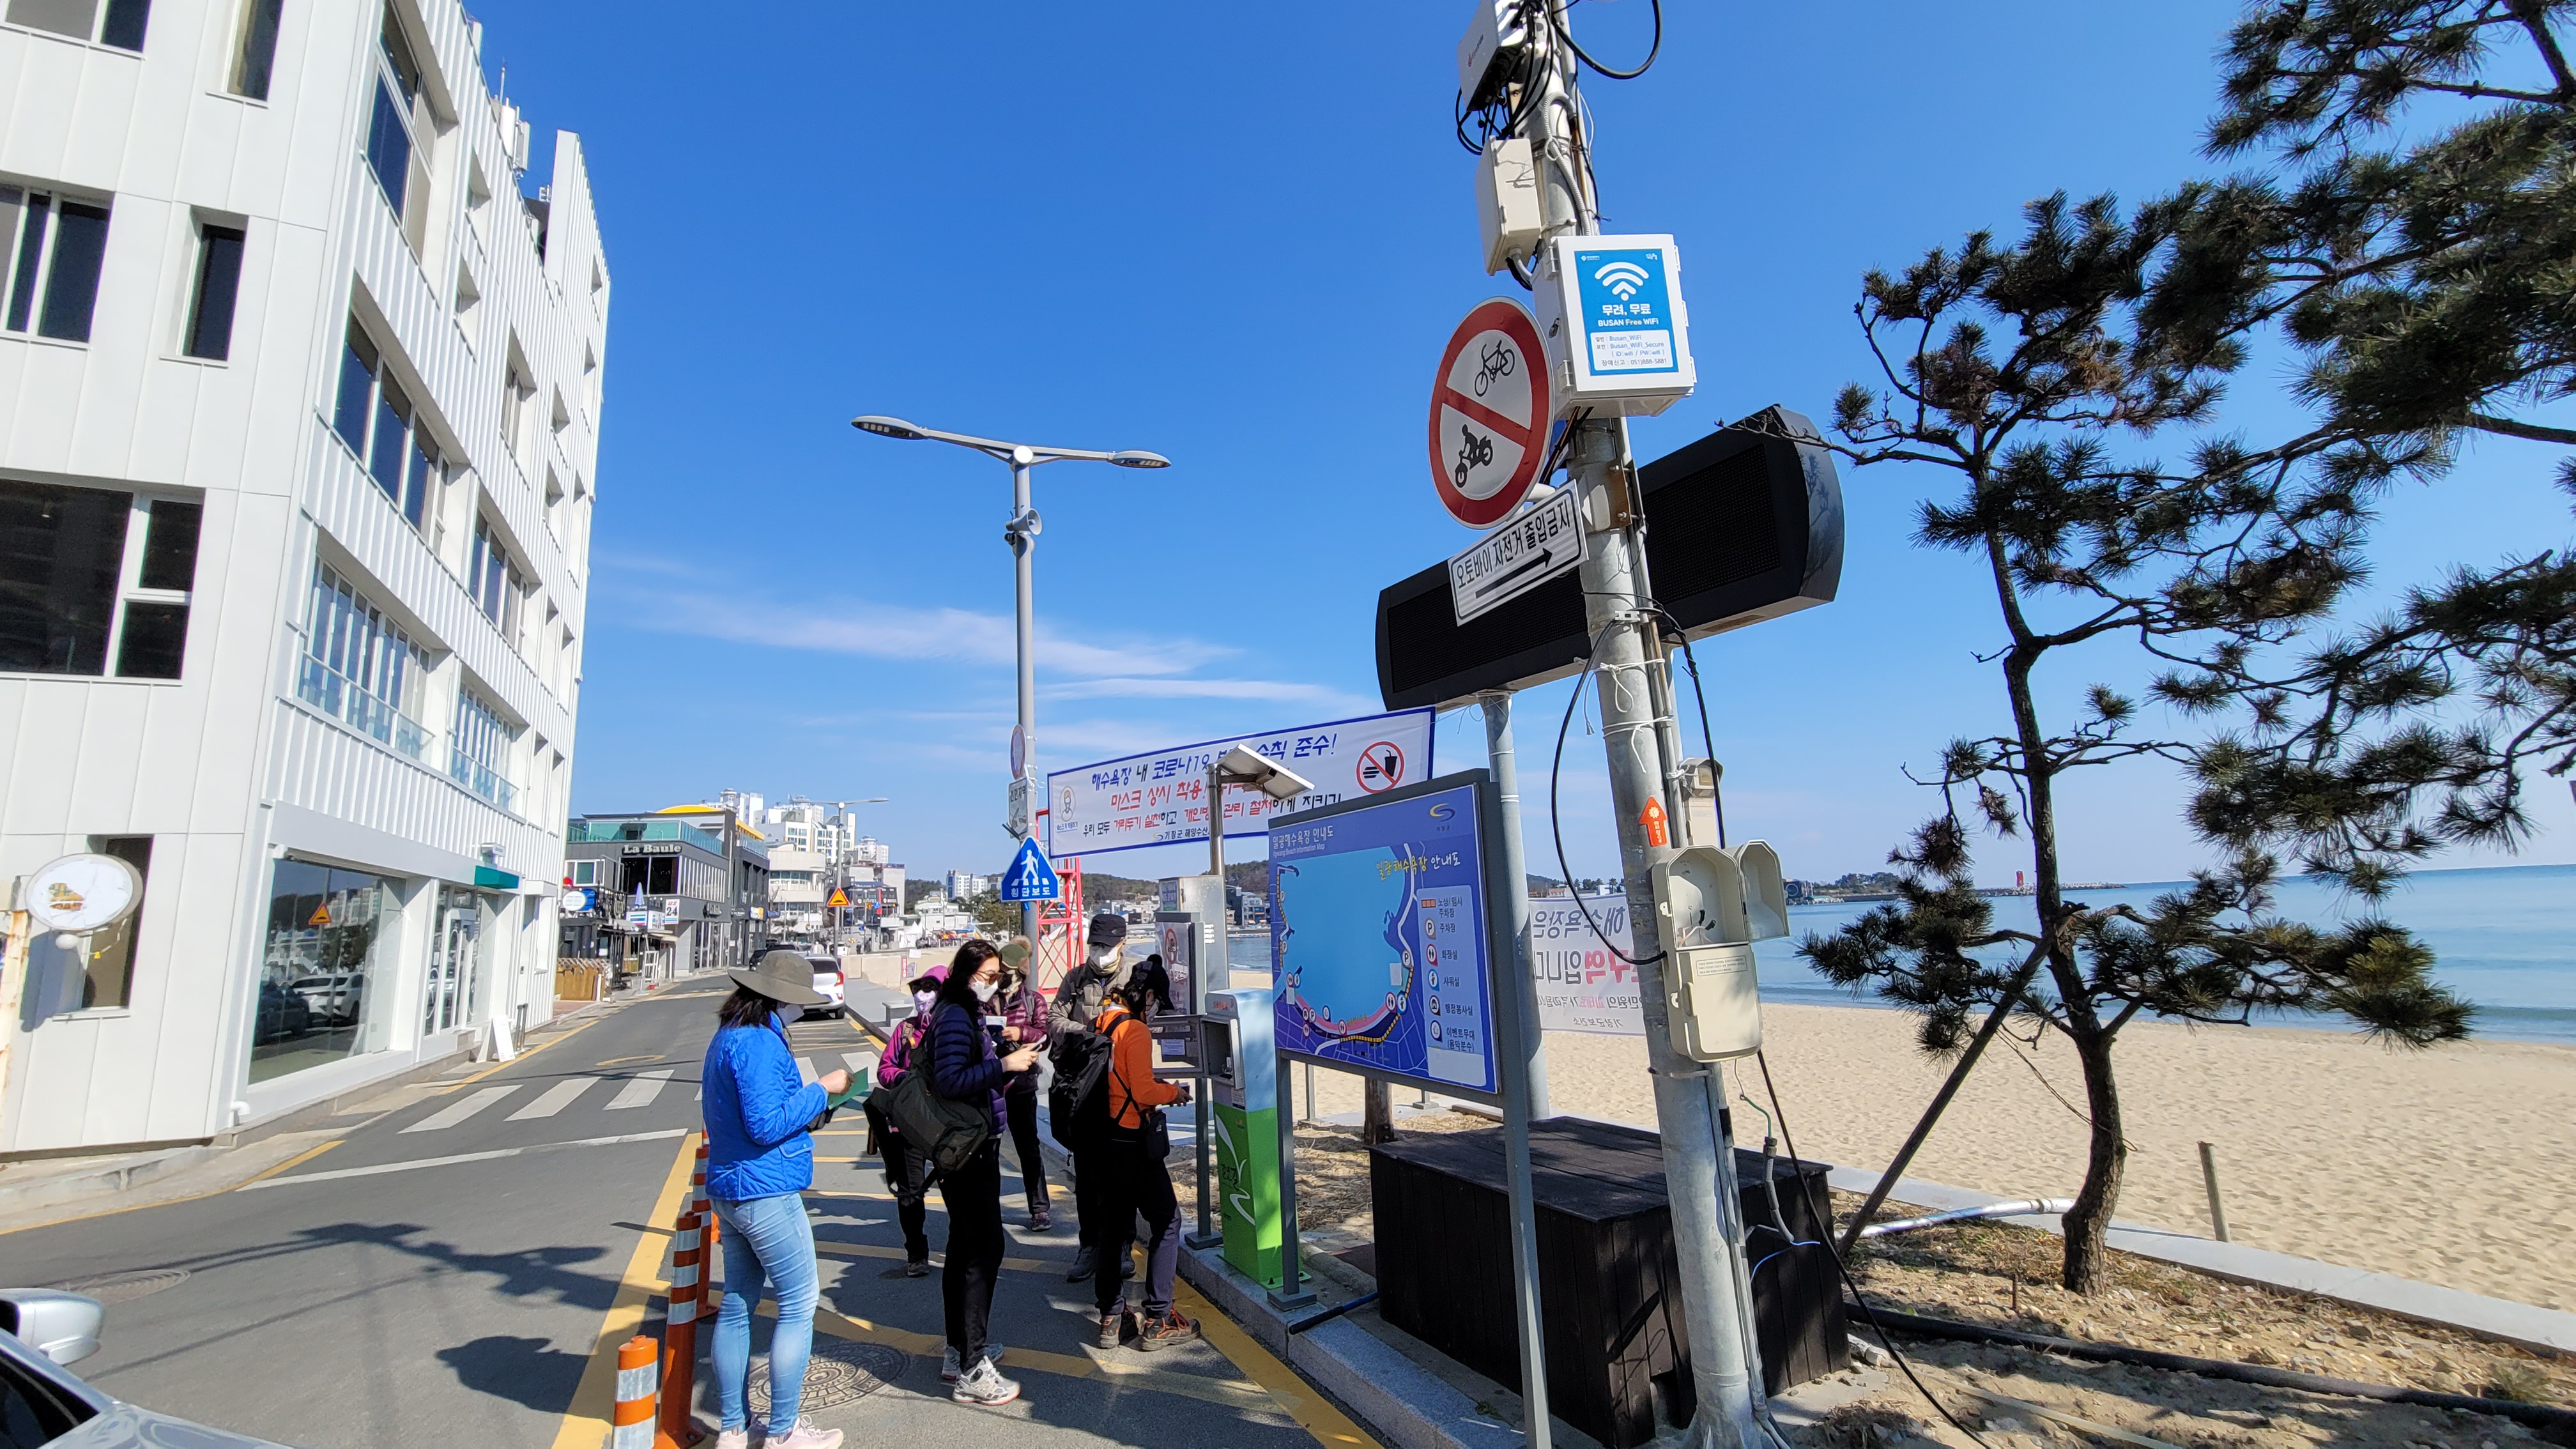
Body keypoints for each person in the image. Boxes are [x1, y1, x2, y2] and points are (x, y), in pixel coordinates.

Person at [702, 950, 852, 1449]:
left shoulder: (728, 1036)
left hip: (729, 1186)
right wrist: (823, 1089)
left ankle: (733, 1428)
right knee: (798, 1303)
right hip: (766, 1189)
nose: (801, 1010)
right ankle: (784, 1431)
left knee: (737, 1305)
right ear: (780, 999)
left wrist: (811, 1105)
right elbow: (766, 1124)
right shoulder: (761, 1043)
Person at [927, 939, 1042, 1407]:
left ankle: (959, 1352)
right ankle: (973, 1368)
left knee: (963, 1248)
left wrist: (1004, 1065)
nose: (995, 984)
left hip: (970, 1145)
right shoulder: (957, 1015)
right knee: (982, 1250)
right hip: (969, 1149)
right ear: (967, 974)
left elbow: (969, 1073)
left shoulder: (958, 1010)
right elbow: (951, 1081)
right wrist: (1004, 1064)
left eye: (998, 977)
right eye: (989, 976)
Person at [1089, 958, 1201, 1351]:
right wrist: (1175, 1092)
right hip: (1133, 1142)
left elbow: (1118, 1078)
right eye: (1156, 1002)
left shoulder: (1103, 1021)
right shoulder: (1135, 1030)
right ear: (1148, 995)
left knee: (1112, 1228)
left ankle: (1111, 1317)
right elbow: (1142, 1092)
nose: (1155, 1011)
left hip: (1105, 1139)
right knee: (1167, 1221)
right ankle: (1159, 1317)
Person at [1046, 914, 1133, 1282]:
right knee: (1086, 1174)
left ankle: (1123, 1245)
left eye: (1107, 946)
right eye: (1095, 946)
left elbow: (1150, 1023)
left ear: (1122, 944)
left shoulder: (1135, 978)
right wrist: (1090, 1033)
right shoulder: (1076, 979)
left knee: (1123, 1172)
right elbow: (1053, 1019)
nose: (1100, 953)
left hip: (1123, 1089)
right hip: (1082, 1087)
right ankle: (1089, 1246)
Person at [866, 962, 944, 1276]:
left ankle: (964, 1251)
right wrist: (905, 1079)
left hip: (947, 1127)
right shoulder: (905, 1030)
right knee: (910, 1192)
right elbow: (885, 1069)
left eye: (930, 988)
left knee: (957, 1190)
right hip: (909, 1124)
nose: (923, 995)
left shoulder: (954, 1029)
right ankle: (916, 1253)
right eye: (919, 988)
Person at [994, 944, 1055, 1230]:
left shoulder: (1034, 1001)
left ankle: (1039, 1208)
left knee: (1028, 1148)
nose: (1001, 976)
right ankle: (988, 1209)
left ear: (1019, 973)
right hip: (991, 1082)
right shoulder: (987, 999)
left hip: (1021, 1084)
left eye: (1005, 971)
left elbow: (1044, 1036)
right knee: (988, 1151)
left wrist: (1021, 1033)